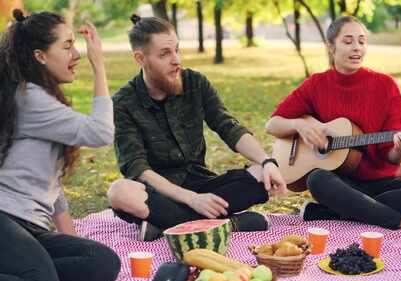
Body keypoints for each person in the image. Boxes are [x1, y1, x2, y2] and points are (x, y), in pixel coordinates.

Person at [107, 15, 287, 241]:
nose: (176, 60)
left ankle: (167, 224)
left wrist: (267, 161)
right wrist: (191, 199)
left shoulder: (195, 83)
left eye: (177, 50)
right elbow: (138, 169)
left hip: (203, 185)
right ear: (140, 58)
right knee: (120, 193)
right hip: (159, 194)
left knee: (264, 174)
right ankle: (228, 224)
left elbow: (228, 127)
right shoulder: (123, 103)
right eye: (165, 54)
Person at [0, 9, 120, 281]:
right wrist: (99, 65)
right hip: (5, 217)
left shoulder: (39, 97)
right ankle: (34, 279)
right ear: (40, 56)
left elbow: (51, 184)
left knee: (102, 263)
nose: (76, 54)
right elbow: (101, 132)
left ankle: (27, 275)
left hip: (31, 227)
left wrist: (72, 238)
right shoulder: (30, 99)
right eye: (67, 46)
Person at [265, 16, 401, 229]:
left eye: (362, 41)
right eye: (348, 41)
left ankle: (331, 212)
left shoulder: (386, 86)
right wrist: (299, 125)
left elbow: (392, 158)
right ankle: (397, 220)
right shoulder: (317, 84)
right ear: (331, 47)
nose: (357, 48)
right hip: (340, 184)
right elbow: (272, 125)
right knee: (317, 179)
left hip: (381, 183)